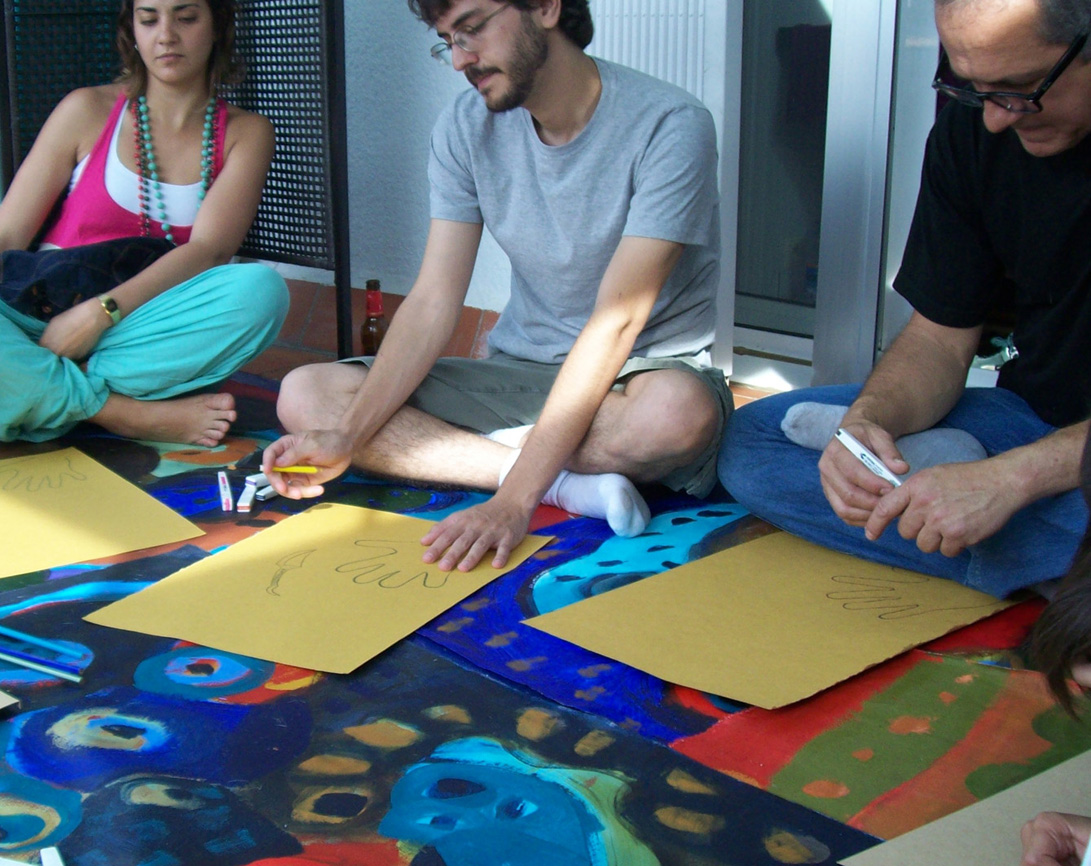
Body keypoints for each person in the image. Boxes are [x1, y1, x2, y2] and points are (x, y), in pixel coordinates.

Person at [263, 0, 729, 572]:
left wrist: (513, 504)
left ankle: (498, 463)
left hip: (637, 378)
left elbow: (618, 320)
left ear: (547, 6)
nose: (461, 59)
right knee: (306, 395)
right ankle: (566, 484)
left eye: (472, 29)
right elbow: (433, 301)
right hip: (521, 374)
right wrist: (348, 435)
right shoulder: (464, 126)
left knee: (675, 416)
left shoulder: (671, 124)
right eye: (447, 41)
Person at [717, 0, 1091, 599]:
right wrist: (867, 423)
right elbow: (939, 339)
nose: (996, 118)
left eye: (1019, 88)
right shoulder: (973, 130)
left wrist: (1013, 480)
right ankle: (1043, 563)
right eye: (973, 88)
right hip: (1028, 419)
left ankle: (1010, 549)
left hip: (1060, 460)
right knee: (752, 442)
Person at [0, 0, 289, 447]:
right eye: (149, 19)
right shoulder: (86, 109)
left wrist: (99, 314)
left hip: (132, 332)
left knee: (261, 292)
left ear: (217, 26)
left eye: (186, 17)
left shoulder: (245, 133)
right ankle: (121, 413)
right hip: (30, 318)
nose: (166, 35)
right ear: (131, 30)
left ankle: (36, 390)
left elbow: (210, 251)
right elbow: (8, 234)